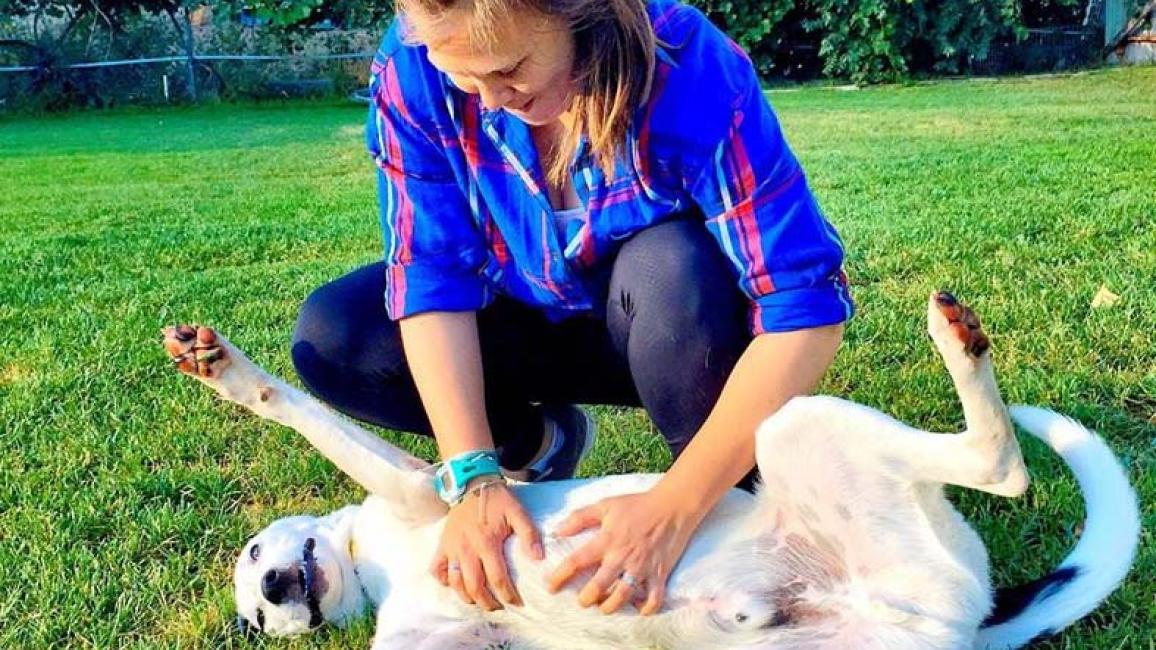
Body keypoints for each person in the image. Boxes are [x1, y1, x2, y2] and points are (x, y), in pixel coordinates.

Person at [290, 0, 853, 620]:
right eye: (464, 77)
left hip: (675, 327)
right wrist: (472, 477)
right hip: (522, 315)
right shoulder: (412, 67)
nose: (492, 100)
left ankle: (732, 498)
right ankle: (535, 443)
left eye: (510, 68)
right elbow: (430, 274)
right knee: (338, 334)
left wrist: (677, 504)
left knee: (673, 265)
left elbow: (803, 304)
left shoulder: (689, 65)